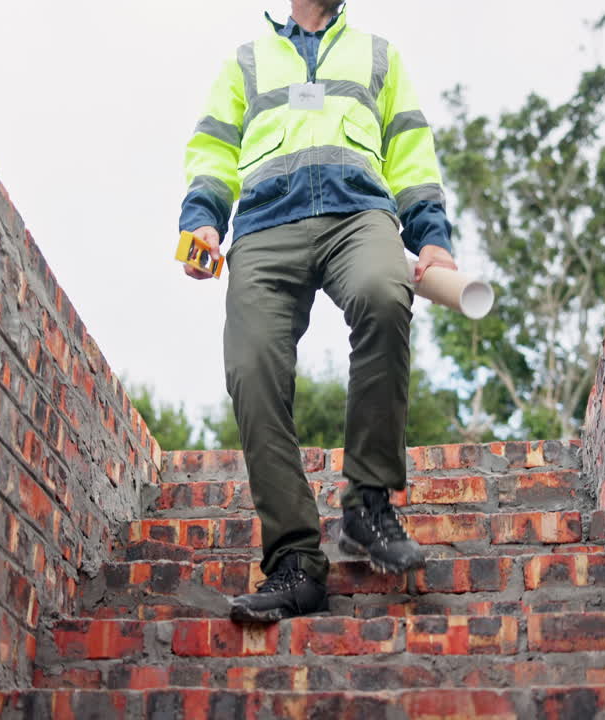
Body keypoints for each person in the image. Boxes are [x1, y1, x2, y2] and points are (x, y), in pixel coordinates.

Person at [178, 0, 457, 623]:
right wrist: (201, 221)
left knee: (386, 295)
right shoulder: (245, 63)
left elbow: (410, 150)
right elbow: (214, 152)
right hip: (264, 226)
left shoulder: (378, 54)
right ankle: (297, 561)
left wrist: (431, 234)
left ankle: (367, 505)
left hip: (359, 215)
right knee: (250, 367)